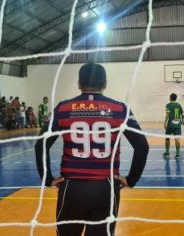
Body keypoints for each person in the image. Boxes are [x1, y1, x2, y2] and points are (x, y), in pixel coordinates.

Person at [35, 62, 149, 236]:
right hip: (106, 188)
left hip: (71, 188)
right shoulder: (120, 109)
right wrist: (131, 179)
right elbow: (142, 146)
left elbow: (40, 144)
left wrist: (47, 179)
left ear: (79, 84)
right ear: (105, 84)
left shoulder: (63, 108)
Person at [163, 93, 184, 159]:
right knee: (177, 139)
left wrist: (165, 123)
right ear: (176, 98)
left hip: (170, 125)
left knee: (167, 138)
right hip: (178, 125)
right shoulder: (179, 105)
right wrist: (182, 121)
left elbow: (167, 115)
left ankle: (167, 153)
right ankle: (177, 154)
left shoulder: (168, 105)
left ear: (170, 98)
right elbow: (182, 115)